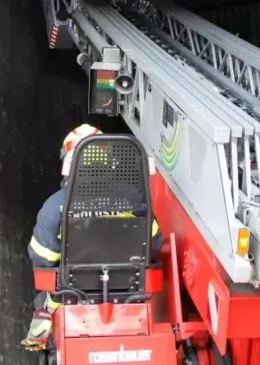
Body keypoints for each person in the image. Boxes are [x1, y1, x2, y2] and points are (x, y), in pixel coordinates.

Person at [21, 124, 162, 351]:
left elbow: (42, 258)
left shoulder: (55, 206)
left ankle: (45, 349)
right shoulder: (135, 198)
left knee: (43, 309)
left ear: (69, 163)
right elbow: (154, 245)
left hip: (71, 294)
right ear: (107, 160)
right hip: (130, 293)